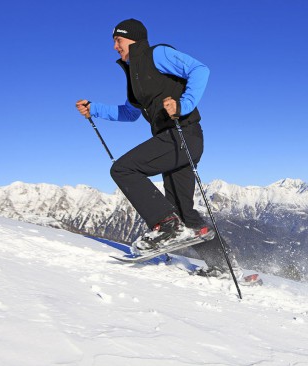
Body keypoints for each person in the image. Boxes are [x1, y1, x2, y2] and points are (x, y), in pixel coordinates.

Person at [76, 18, 241, 279]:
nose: (115, 47)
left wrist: (182, 104)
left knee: (123, 169)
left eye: (118, 41)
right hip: (175, 140)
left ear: (132, 39)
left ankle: (166, 226)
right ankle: (223, 265)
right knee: (184, 213)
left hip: (182, 134)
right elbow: (130, 113)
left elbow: (200, 70)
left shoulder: (157, 54)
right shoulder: (134, 76)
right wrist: (94, 108)